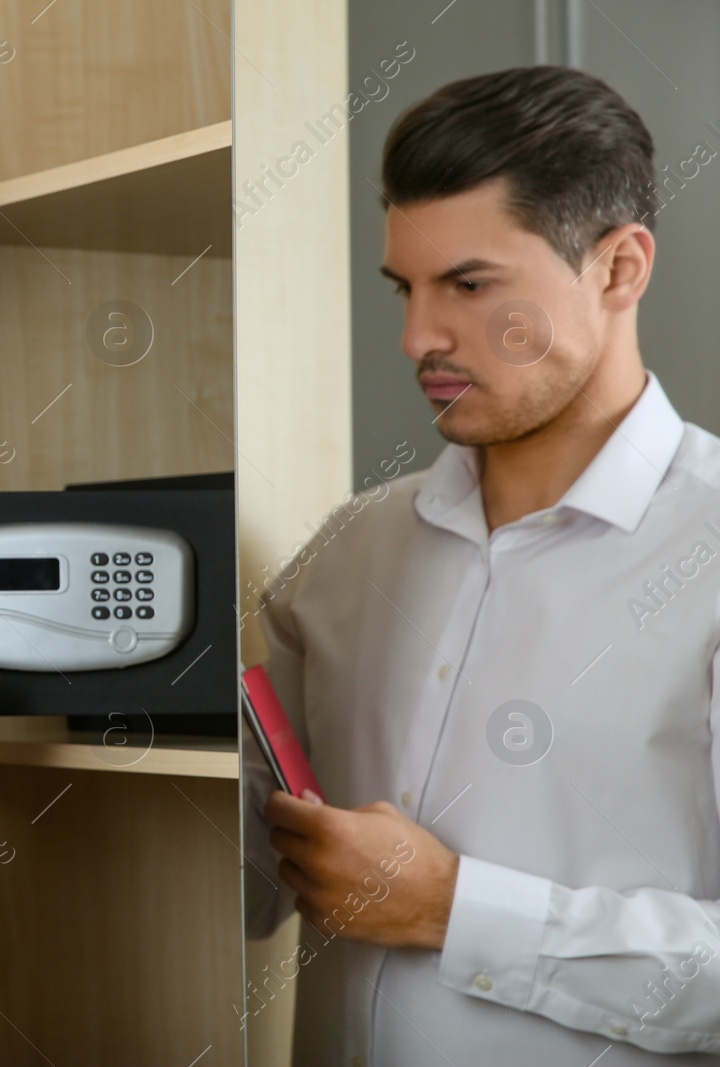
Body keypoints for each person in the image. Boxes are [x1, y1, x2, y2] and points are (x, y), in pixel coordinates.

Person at [249, 66, 720, 1063]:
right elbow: (242, 883)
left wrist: (456, 909)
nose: (419, 337)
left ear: (618, 269)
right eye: (404, 289)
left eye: (468, 284)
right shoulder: (339, 558)